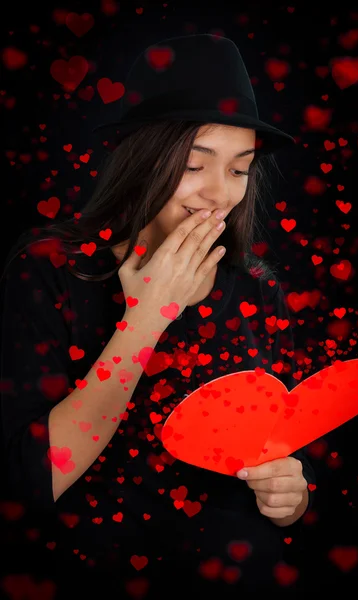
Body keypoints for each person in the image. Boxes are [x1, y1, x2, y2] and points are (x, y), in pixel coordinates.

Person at [0, 34, 316, 599]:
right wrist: (148, 318)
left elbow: (288, 456)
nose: (221, 193)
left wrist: (292, 497)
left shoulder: (258, 291)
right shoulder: (49, 270)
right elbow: (34, 480)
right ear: (141, 159)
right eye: (196, 164)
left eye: (240, 170)